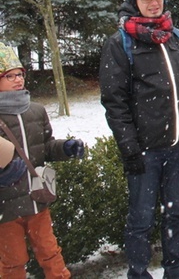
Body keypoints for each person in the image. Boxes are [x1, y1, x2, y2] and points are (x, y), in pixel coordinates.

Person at [100, 0, 179, 279]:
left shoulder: (176, 37)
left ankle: (176, 270)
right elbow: (114, 101)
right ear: (134, 2)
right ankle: (138, 272)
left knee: (176, 213)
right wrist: (129, 149)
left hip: (177, 146)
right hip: (145, 151)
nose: (153, 3)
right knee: (141, 218)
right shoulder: (120, 43)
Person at [0, 42, 85, 278]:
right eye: (9, 75)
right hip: (5, 208)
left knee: (51, 253)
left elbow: (45, 147)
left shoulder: (36, 111)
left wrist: (66, 148)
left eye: (20, 74)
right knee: (12, 263)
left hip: (37, 200)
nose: (18, 79)